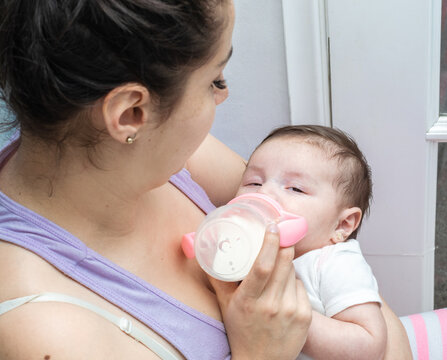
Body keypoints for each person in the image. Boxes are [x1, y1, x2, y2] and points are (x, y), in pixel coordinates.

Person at [0, 1, 411, 359]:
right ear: (130, 114)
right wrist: (260, 354)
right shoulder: (45, 329)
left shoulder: (155, 155)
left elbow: (326, 239)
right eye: (215, 80)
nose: (222, 96)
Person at [235, 125, 384, 359]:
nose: (264, 193)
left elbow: (369, 344)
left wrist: (292, 319)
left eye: (295, 188)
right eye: (254, 182)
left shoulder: (334, 263)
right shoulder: (246, 249)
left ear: (342, 225)